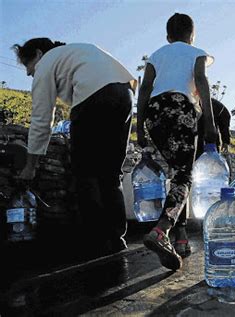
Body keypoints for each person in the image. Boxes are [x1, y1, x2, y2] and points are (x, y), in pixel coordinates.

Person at [14, 38, 137, 258]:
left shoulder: (47, 63)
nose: (28, 73)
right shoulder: (77, 51)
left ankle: (95, 242)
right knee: (110, 173)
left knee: (85, 173)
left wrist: (30, 166)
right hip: (125, 94)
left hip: (94, 97)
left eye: (28, 65)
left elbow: (42, 119)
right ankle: (117, 239)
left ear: (39, 54)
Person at [136, 13, 217, 271]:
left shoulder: (156, 56)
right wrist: (210, 124)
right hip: (181, 109)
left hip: (155, 114)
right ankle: (162, 230)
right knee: (184, 176)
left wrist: (139, 127)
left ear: (168, 36)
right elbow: (202, 82)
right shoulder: (196, 53)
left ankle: (180, 240)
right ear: (192, 36)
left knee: (177, 175)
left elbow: (145, 90)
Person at [171, 97, 231, 258]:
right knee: (201, 188)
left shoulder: (205, 103)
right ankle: (196, 230)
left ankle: (183, 233)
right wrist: (225, 138)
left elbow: (225, 114)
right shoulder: (203, 102)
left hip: (196, 151)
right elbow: (226, 115)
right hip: (199, 151)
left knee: (188, 186)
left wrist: (225, 137)